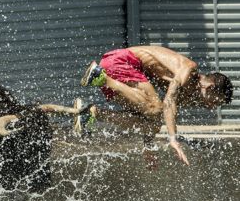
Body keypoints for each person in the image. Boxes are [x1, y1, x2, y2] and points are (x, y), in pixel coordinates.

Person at [80, 46, 234, 166]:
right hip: (121, 61)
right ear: (210, 87)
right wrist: (173, 138)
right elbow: (168, 102)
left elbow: (161, 116)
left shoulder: (189, 94)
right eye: (215, 102)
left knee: (152, 122)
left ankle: (92, 113)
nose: (211, 107)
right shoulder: (189, 69)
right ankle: (101, 78)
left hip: (124, 73)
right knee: (156, 108)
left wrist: (148, 147)